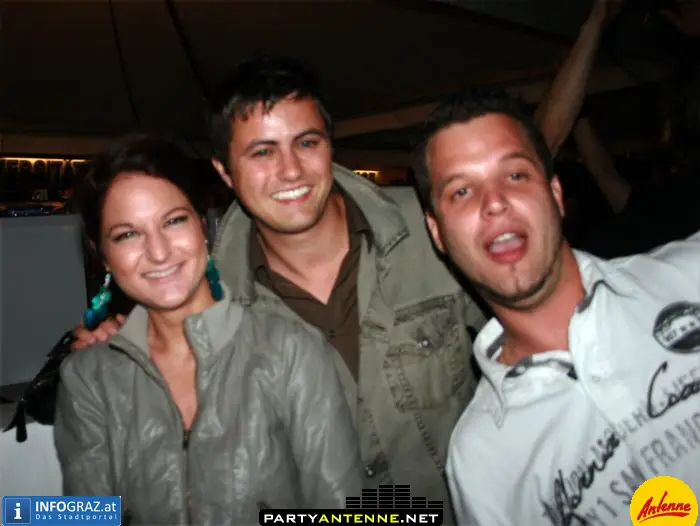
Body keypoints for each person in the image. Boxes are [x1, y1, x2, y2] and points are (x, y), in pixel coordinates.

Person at [70, 15, 611, 515]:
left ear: (331, 146)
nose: (290, 170)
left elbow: (544, 316)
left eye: (306, 142)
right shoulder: (215, 299)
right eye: (262, 152)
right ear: (225, 173)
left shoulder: (429, 228)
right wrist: (122, 348)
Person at [414, 90, 700, 525]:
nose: (494, 203)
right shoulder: (482, 462)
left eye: (515, 175)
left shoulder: (690, 275)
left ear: (556, 194)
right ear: (437, 234)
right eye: (462, 191)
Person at [55, 137, 362, 524]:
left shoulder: (290, 351)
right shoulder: (88, 378)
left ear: (202, 226)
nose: (159, 252)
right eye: (127, 234)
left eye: (173, 221)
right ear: (103, 255)